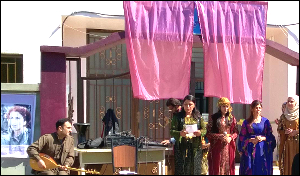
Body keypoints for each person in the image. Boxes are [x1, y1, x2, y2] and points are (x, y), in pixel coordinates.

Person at [170, 95, 206, 175]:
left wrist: (200, 132)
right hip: (181, 148)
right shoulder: (178, 117)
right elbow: (172, 131)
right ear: (183, 105)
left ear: (194, 105)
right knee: (182, 169)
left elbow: (204, 129)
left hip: (195, 148)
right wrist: (180, 133)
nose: (188, 107)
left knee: (195, 169)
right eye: (185, 104)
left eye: (190, 104)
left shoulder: (198, 117)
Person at [238, 100, 276, 175]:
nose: (258, 110)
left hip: (263, 150)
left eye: (259, 108)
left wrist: (263, 138)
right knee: (250, 169)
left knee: (262, 169)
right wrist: (250, 140)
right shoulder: (246, 122)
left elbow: (270, 136)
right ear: (252, 109)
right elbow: (242, 137)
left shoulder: (266, 121)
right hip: (249, 151)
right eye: (256, 108)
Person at [206, 97, 238, 175]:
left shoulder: (232, 118)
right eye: (223, 106)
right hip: (217, 146)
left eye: (227, 106)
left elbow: (236, 132)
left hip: (228, 146)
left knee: (228, 167)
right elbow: (208, 133)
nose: (226, 108)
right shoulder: (213, 118)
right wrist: (219, 136)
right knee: (217, 167)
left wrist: (230, 138)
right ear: (219, 106)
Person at [277, 95, 299, 175]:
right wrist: (284, 131)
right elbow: (280, 129)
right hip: (286, 146)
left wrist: (296, 132)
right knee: (287, 164)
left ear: (296, 103)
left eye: (292, 101)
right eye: (288, 101)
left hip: (297, 145)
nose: (289, 103)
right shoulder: (283, 116)